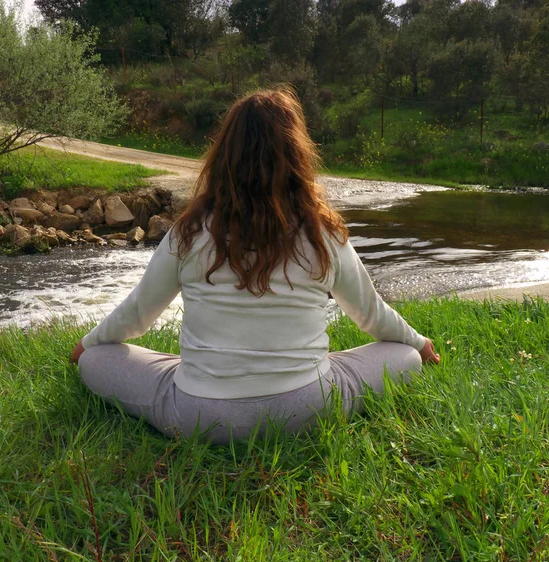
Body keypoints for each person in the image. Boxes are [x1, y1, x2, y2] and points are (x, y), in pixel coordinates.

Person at [71, 89, 440, 444]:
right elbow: (371, 315)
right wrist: (418, 343)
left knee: (96, 360)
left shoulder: (189, 231)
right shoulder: (322, 232)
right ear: (297, 157)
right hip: (308, 409)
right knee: (403, 355)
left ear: (224, 156)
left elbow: (138, 313)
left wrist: (87, 346)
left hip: (198, 416)